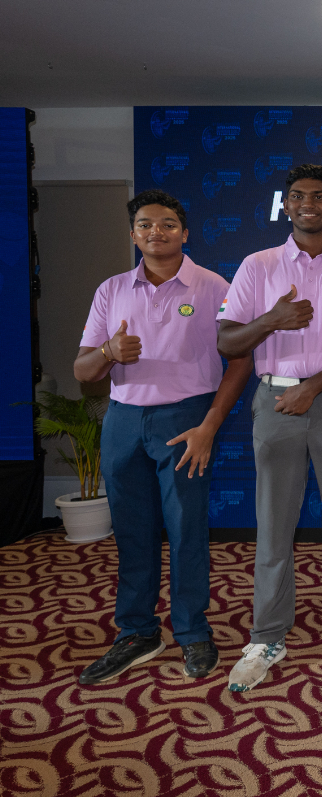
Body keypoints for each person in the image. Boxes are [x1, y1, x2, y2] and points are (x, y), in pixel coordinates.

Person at [217, 164, 322, 693]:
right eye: (297, 196)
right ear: (285, 205)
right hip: (274, 400)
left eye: (318, 196)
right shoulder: (258, 265)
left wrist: (313, 387)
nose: (307, 203)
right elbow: (227, 340)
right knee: (273, 524)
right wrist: (271, 319)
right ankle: (267, 636)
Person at [75, 190, 253, 685]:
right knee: (132, 532)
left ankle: (193, 631)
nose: (157, 231)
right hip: (123, 421)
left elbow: (240, 360)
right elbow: (84, 371)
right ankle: (137, 632)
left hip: (185, 419)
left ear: (185, 233)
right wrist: (109, 352)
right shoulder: (112, 290)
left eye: (168, 223)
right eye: (146, 224)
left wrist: (209, 425)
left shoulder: (213, 286)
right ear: (134, 234)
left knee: (186, 530)